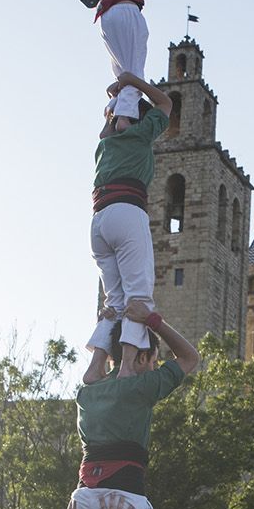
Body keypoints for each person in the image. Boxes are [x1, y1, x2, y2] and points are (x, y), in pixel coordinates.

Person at [71, 303, 201, 509]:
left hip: (84, 500)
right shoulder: (139, 388)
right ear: (142, 358)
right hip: (124, 500)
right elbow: (189, 358)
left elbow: (94, 367)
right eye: (154, 360)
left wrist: (108, 323)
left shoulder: (87, 392)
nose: (156, 366)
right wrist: (153, 320)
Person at [81, 71, 175, 376]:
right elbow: (165, 103)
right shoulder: (140, 134)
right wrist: (134, 83)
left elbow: (109, 124)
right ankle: (126, 369)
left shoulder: (105, 144)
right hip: (126, 213)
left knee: (115, 301)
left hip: (99, 221)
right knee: (139, 297)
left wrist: (118, 97)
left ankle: (96, 365)